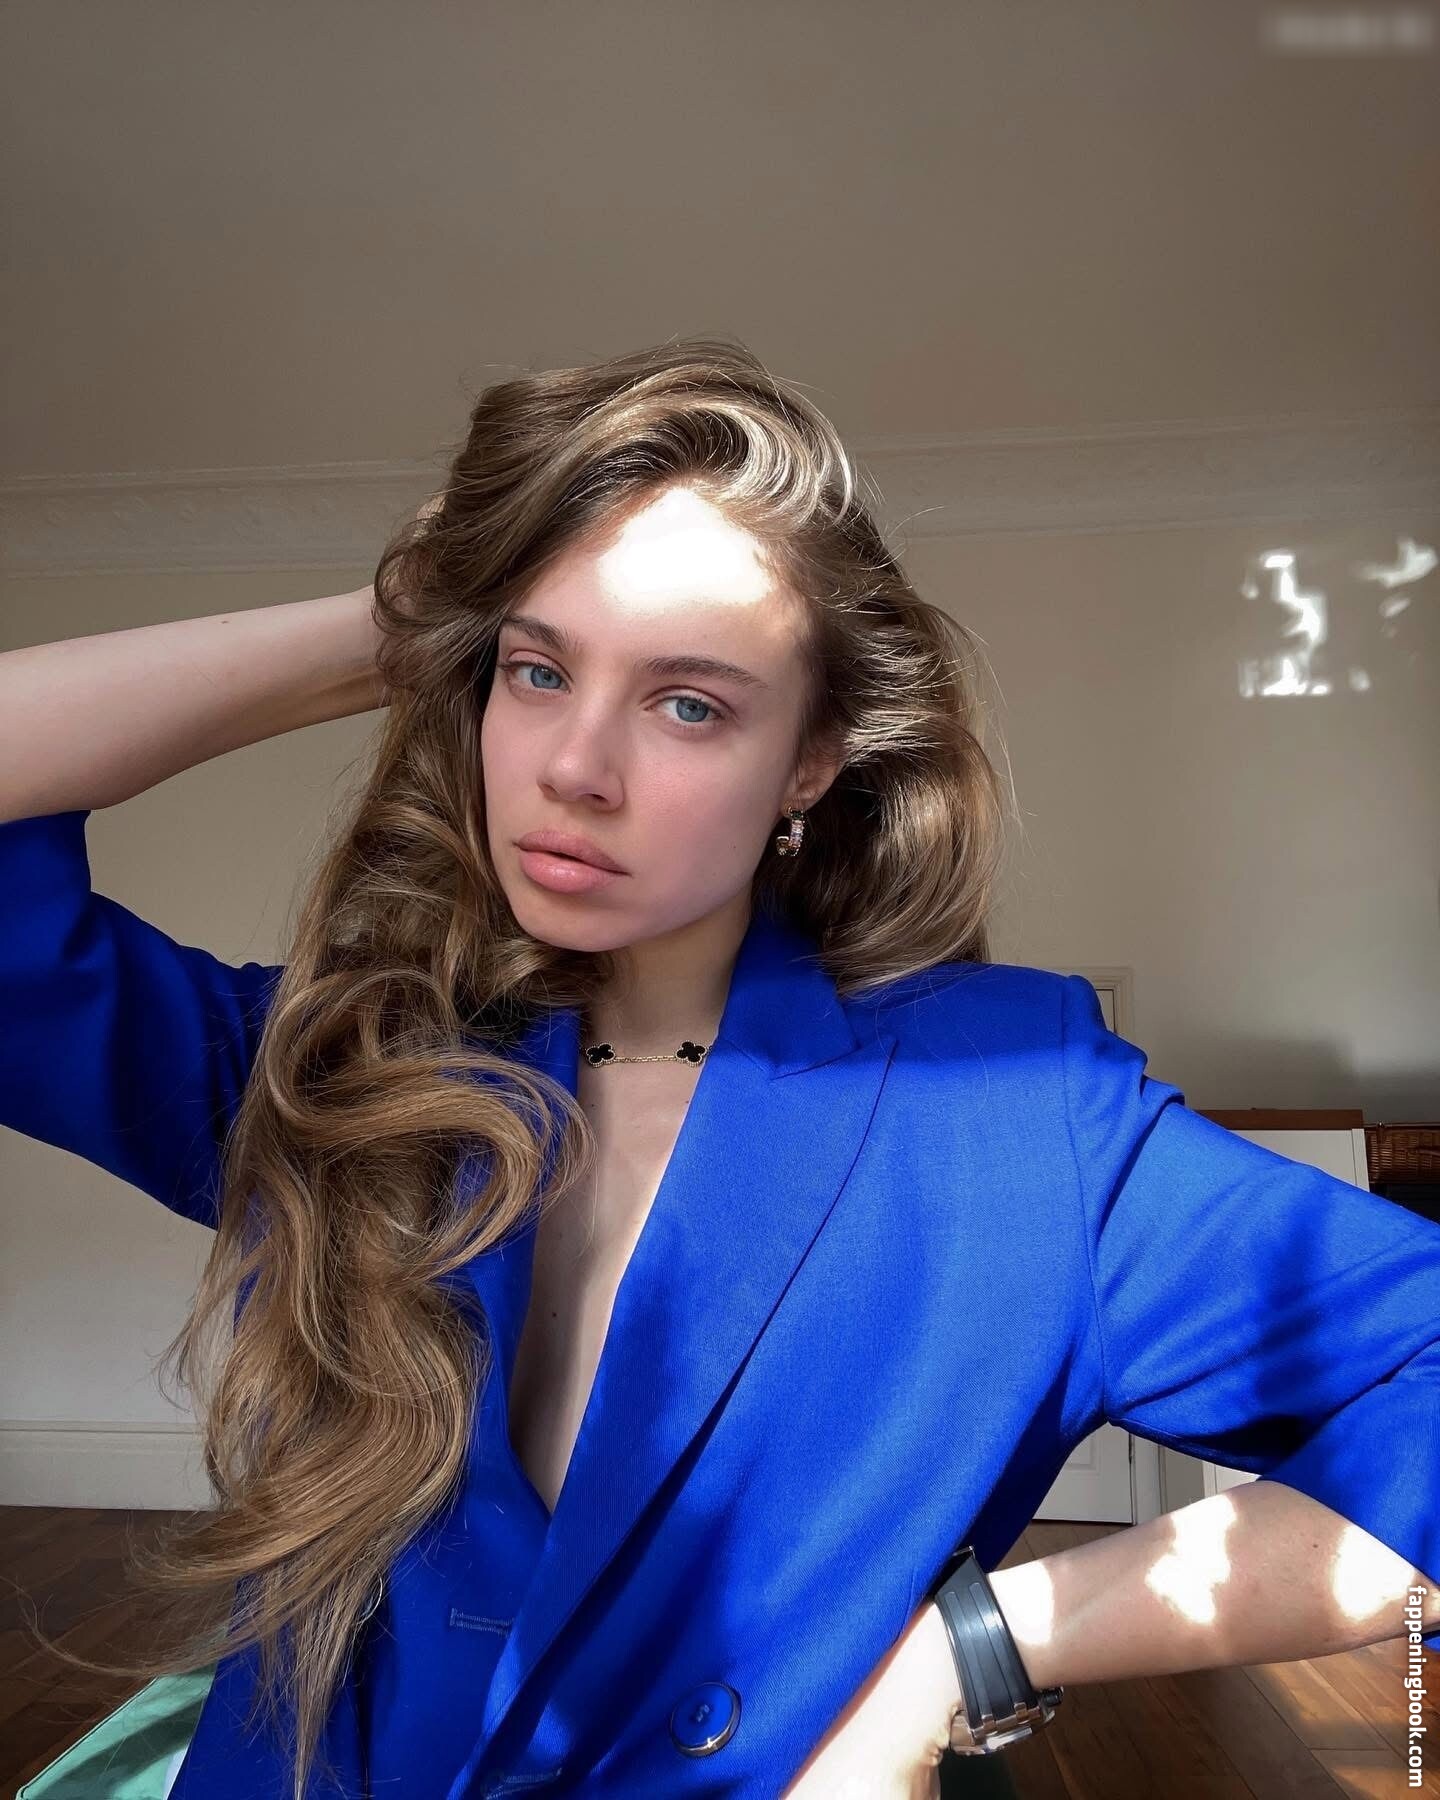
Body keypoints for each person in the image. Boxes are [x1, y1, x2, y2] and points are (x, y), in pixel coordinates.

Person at [2, 335, 1437, 1800]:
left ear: (810, 760)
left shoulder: (1012, 1117)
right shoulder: (344, 1067)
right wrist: (406, 624)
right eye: (537, 670)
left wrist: (971, 1652)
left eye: (688, 702)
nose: (573, 767)